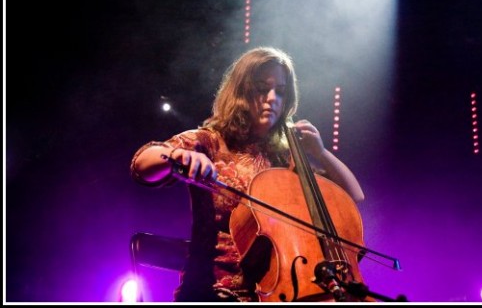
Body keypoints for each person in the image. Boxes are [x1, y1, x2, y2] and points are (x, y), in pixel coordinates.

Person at [130, 46, 365, 302]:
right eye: (262, 89)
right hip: (218, 291)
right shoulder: (211, 142)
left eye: (281, 91)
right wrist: (177, 156)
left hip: (282, 290)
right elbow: (142, 165)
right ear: (242, 90)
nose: (272, 98)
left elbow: (351, 198)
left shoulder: (286, 157)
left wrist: (321, 153)